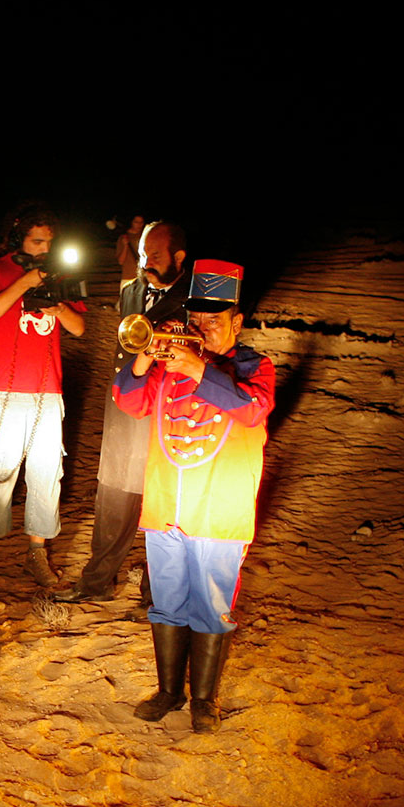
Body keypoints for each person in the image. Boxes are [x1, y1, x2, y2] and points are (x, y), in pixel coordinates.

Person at [112, 259, 275, 733]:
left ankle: (203, 698)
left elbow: (251, 409)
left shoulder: (253, 366)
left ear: (237, 323)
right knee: (166, 600)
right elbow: (128, 401)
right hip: (166, 507)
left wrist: (198, 368)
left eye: (215, 321)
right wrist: (145, 354)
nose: (202, 328)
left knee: (211, 602)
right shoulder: (170, 362)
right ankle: (168, 691)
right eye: (196, 319)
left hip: (218, 512)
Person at [55, 220, 192, 604]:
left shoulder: (193, 298)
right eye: (145, 254)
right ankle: (97, 582)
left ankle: (156, 596)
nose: (148, 262)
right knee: (112, 499)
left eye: (157, 255)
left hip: (165, 412)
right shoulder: (132, 291)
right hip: (123, 409)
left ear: (179, 257)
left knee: (160, 506)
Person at [0, 201, 87, 588]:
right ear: (19, 239)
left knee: (46, 475)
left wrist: (58, 304)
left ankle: (37, 553)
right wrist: (23, 283)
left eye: (49, 243)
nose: (43, 250)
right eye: (37, 242)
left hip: (48, 392)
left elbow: (79, 328)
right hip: (5, 389)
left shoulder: (60, 274)